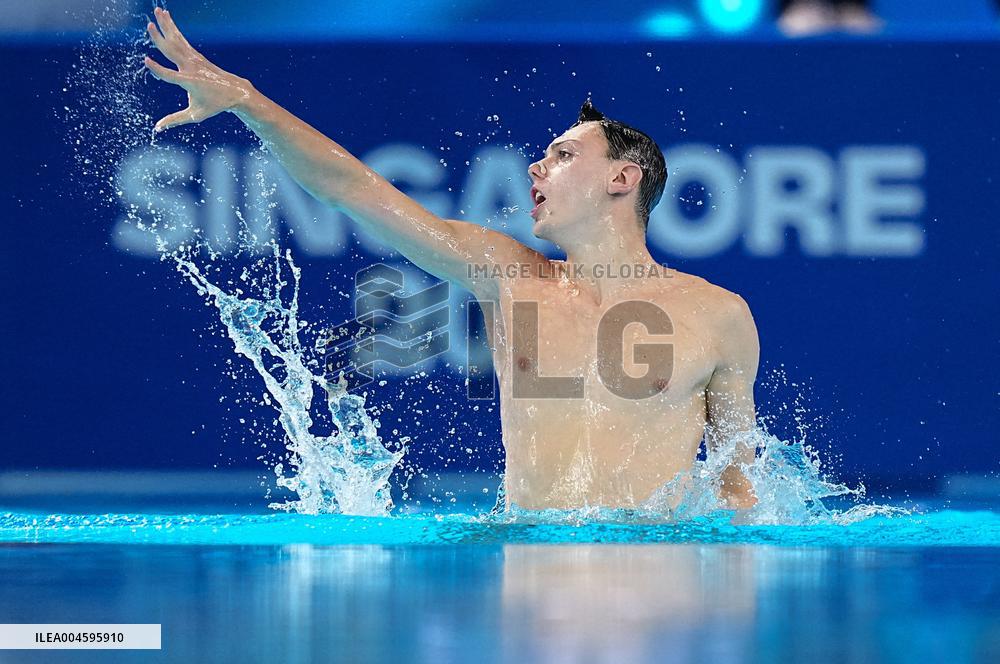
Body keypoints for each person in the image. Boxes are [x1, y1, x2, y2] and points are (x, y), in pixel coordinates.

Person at [142, 7, 759, 511]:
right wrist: (247, 100)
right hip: (530, 573)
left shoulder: (719, 315)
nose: (536, 168)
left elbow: (739, 491)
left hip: (654, 587)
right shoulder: (507, 275)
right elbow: (356, 190)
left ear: (623, 178)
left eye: (564, 155)